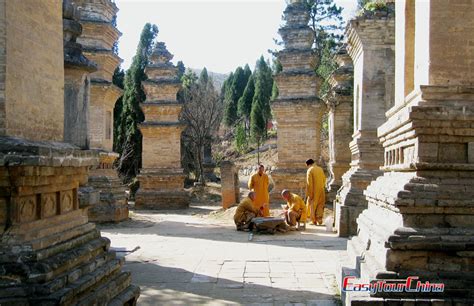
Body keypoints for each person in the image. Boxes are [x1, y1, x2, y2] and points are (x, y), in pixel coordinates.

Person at [305, 158, 326, 225]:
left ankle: (313, 220)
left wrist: (309, 194)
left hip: (314, 191)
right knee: (320, 204)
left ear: (309, 164)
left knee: (312, 205)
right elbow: (324, 179)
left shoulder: (310, 170)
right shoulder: (320, 169)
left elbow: (309, 183)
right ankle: (319, 219)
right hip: (321, 190)